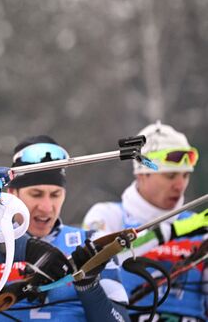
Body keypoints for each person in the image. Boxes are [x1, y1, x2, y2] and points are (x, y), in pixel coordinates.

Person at [0, 135, 130, 322]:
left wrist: (88, 285)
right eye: (36, 194)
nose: (46, 206)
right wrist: (20, 248)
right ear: (12, 193)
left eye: (55, 194)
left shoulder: (92, 241)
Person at [83, 121, 207, 322]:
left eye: (185, 175)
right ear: (142, 173)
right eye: (170, 175)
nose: (180, 185)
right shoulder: (107, 215)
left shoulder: (199, 224)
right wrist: (169, 232)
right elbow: (96, 265)